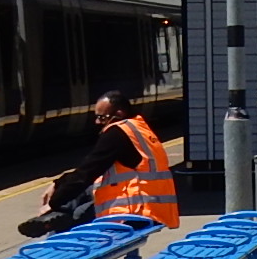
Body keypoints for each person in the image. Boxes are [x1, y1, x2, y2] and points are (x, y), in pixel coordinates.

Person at [20, 91, 180, 238]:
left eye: (102, 117)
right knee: (83, 194)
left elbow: (87, 172)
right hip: (151, 208)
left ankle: (53, 231)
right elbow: (91, 168)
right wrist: (58, 183)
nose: (97, 122)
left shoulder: (117, 133)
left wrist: (53, 202)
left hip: (134, 213)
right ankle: (56, 216)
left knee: (75, 216)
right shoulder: (138, 128)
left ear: (119, 114)